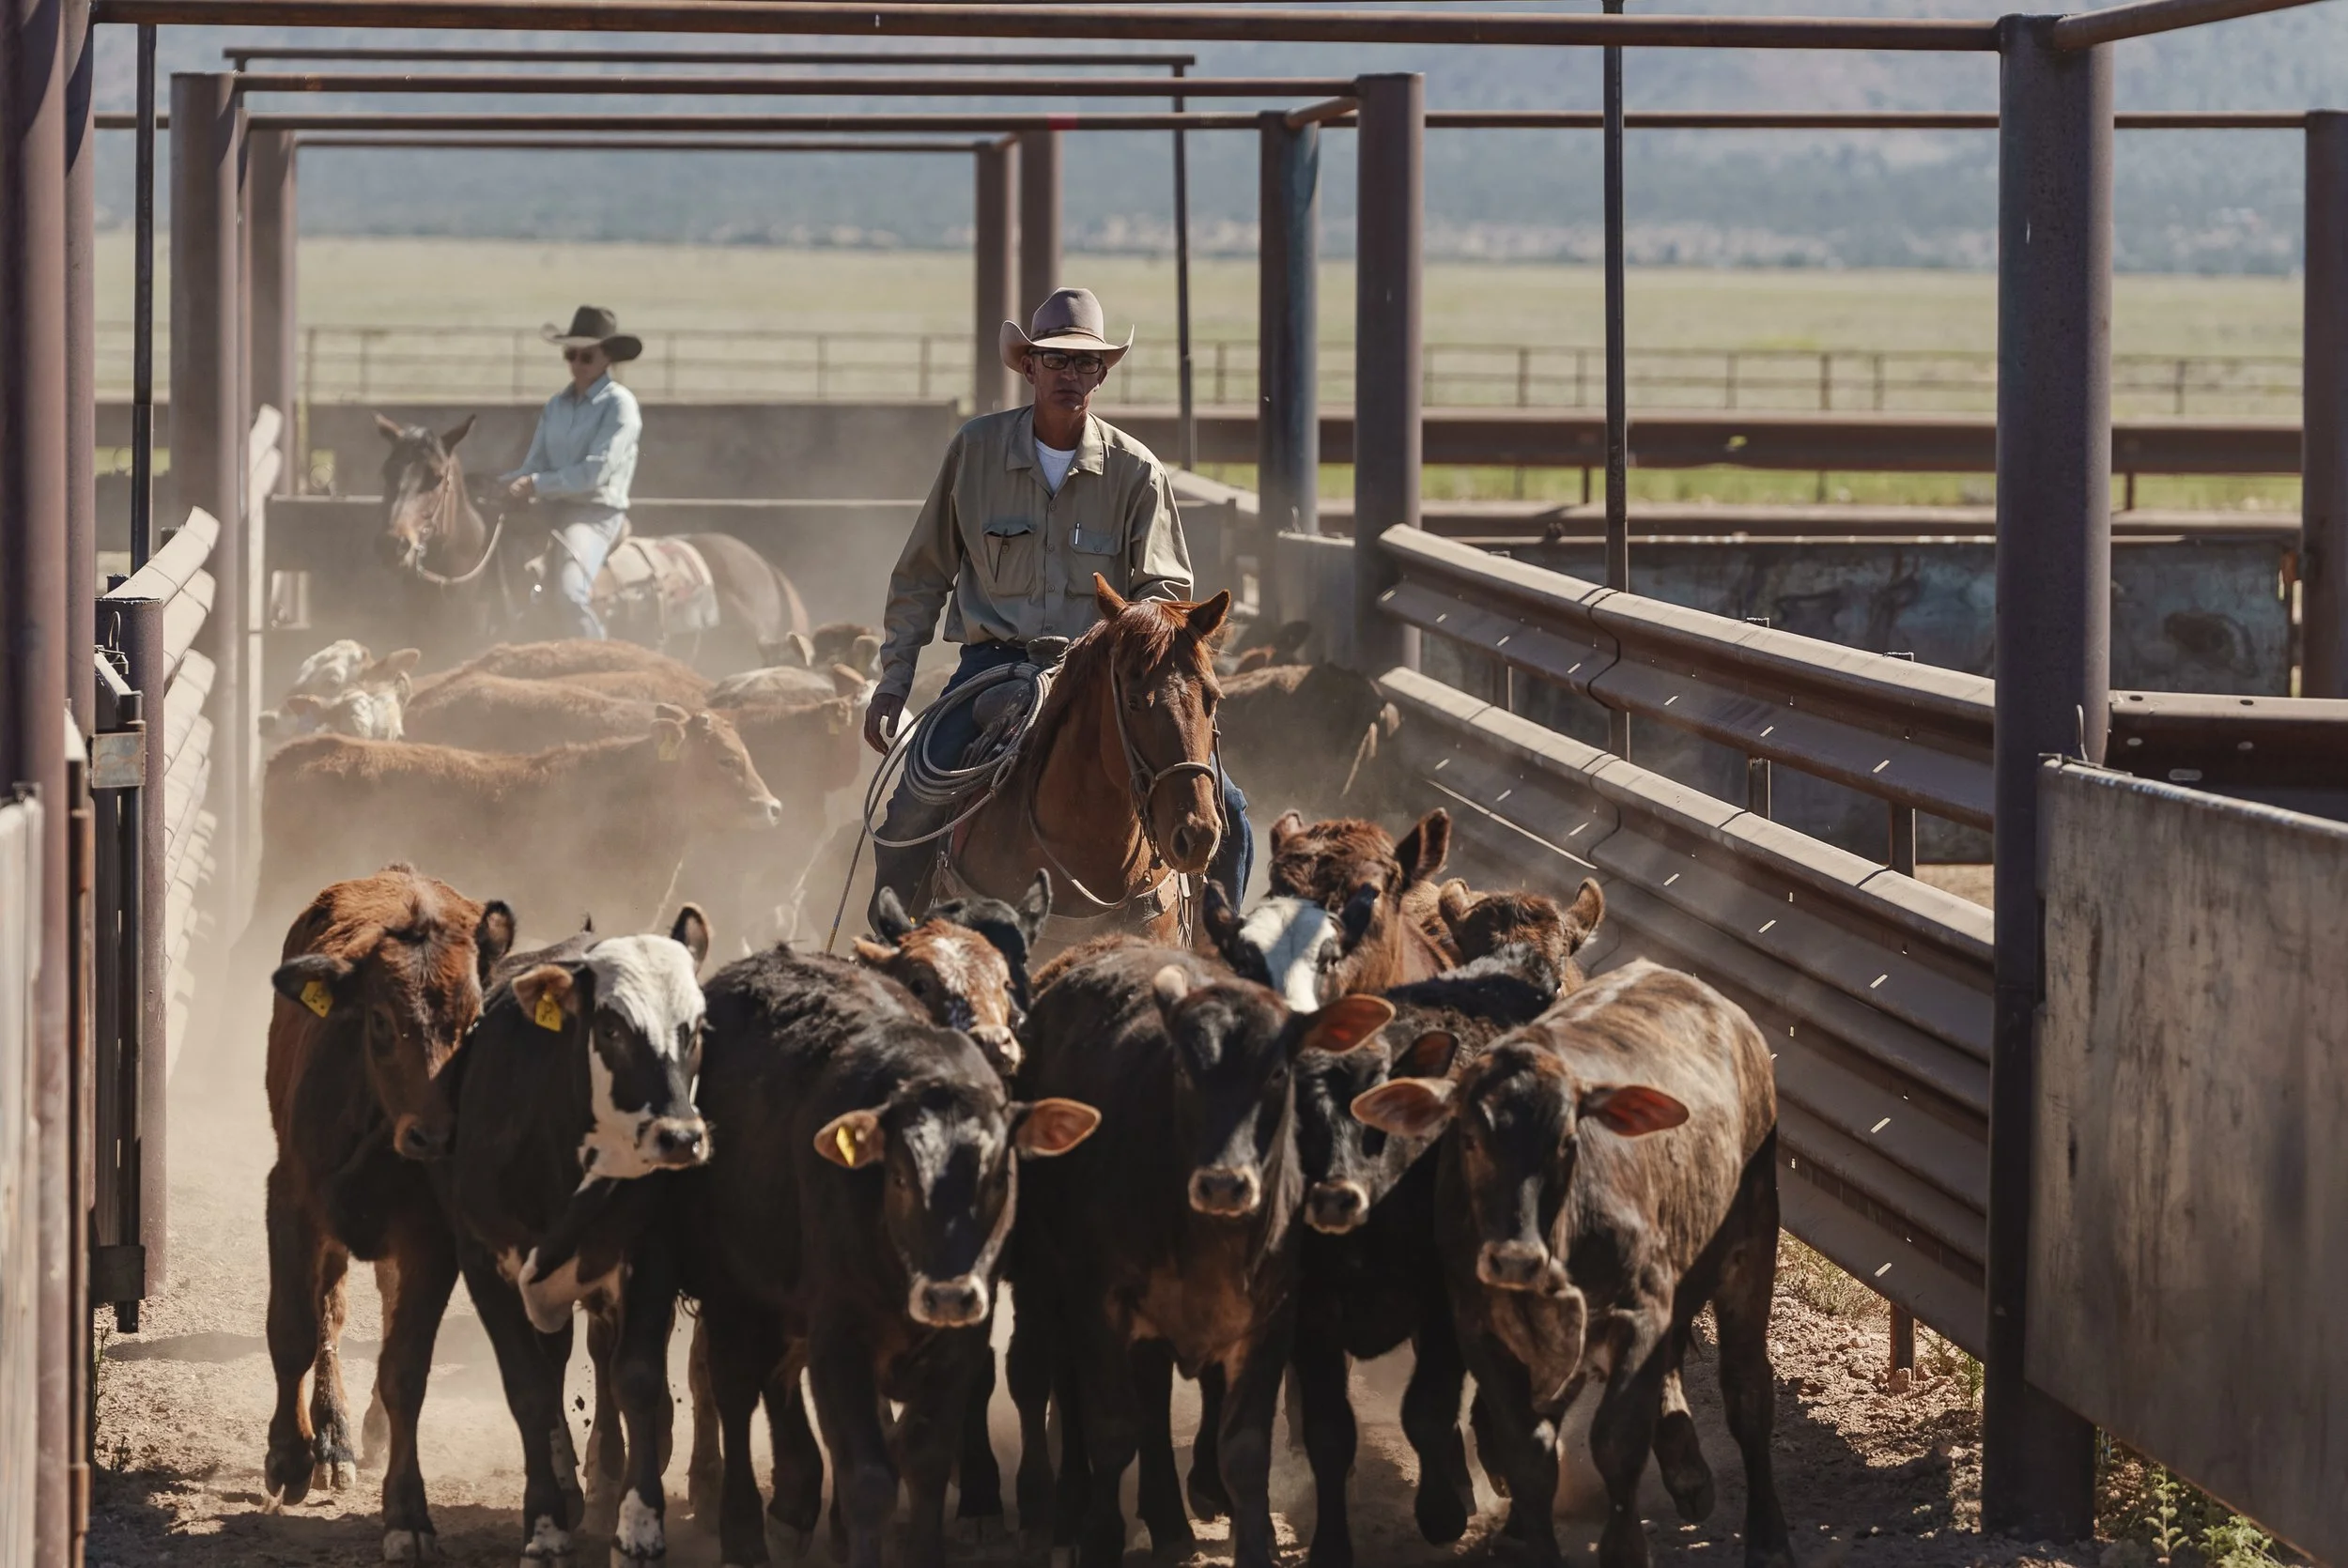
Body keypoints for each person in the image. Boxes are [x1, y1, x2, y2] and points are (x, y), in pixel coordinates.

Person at [867, 286, 1251, 919]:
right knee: (912, 801)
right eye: (1056, 360)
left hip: (1105, 674)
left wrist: (1129, 632)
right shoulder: (976, 453)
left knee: (1227, 812)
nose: (1070, 374)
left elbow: (1165, 598)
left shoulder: (1136, 471)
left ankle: (1222, 952)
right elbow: (922, 575)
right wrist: (895, 677)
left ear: (1102, 372)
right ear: (1028, 366)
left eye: (1084, 363)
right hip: (990, 669)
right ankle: (888, 944)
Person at [504, 305, 643, 639]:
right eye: (571, 355)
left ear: (606, 358)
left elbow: (596, 473)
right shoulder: (556, 405)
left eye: (587, 357)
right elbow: (534, 462)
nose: (577, 364)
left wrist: (536, 484)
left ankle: (595, 657)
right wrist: (503, 483)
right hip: (551, 509)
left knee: (570, 593)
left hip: (595, 513)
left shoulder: (619, 406)